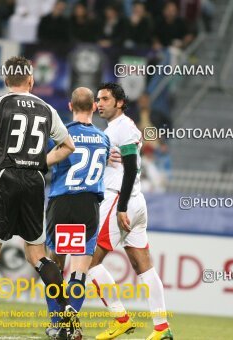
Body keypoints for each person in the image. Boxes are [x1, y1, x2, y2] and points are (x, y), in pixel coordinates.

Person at [0, 56, 77, 339]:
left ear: (7, 81)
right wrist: (41, 162)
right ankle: (67, 305)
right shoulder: (47, 109)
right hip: (34, 181)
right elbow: (67, 145)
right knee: (39, 256)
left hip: (4, 178)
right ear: (31, 80)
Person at [88, 83, 173, 340]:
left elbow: (132, 168)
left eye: (105, 99)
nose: (99, 104)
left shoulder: (123, 127)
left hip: (119, 201)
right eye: (97, 99)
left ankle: (121, 319)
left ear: (120, 103)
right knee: (145, 269)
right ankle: (162, 328)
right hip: (136, 202)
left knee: (88, 262)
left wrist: (121, 208)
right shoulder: (116, 128)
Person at [44, 87, 111, 340]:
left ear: (70, 107)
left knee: (53, 265)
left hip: (62, 202)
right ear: (94, 107)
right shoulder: (104, 139)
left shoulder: (63, 134)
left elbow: (47, 160)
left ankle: (55, 322)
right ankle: (71, 324)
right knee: (79, 271)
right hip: (88, 205)